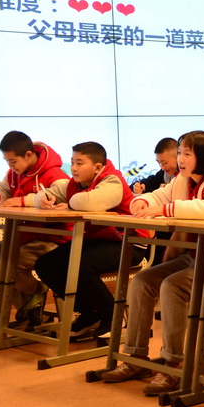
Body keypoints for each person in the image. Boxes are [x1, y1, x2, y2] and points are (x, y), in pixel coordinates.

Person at [100, 131, 204, 396]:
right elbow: (159, 196)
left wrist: (165, 210)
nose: (180, 159)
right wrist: (141, 202)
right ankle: (136, 358)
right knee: (142, 280)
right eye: (180, 153)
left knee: (173, 286)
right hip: (198, 256)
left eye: (187, 153)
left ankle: (174, 363)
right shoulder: (182, 181)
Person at [34, 142, 147, 339]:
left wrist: (69, 204)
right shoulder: (75, 184)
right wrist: (42, 199)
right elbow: (48, 193)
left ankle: (112, 317)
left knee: (80, 264)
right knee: (46, 264)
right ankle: (90, 312)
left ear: (97, 167)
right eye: (72, 162)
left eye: (80, 163)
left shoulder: (112, 181)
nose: (73, 168)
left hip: (128, 243)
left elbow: (90, 202)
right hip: (98, 241)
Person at [0, 131, 70, 326]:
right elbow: (2, 189)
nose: (10, 166)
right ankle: (30, 307)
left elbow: (64, 195)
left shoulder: (55, 175)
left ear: (28, 155)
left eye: (13, 161)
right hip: (24, 237)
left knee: (5, 266)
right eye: (7, 161)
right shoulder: (14, 173)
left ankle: (38, 293)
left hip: (53, 239)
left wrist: (24, 200)